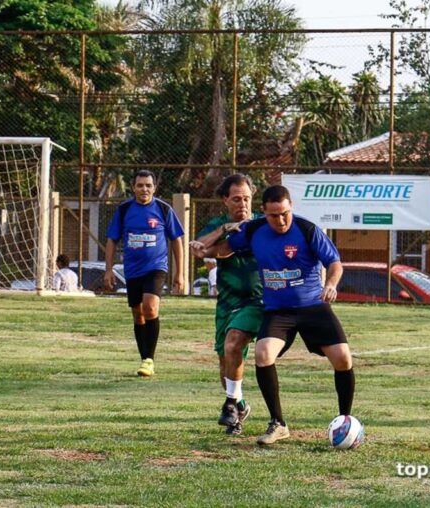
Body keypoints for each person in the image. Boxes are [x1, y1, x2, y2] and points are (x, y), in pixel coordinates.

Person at [195, 184, 354, 445]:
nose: (281, 220)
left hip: (313, 307)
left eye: (285, 213)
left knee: (343, 359)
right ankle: (278, 423)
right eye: (274, 215)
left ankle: (345, 421)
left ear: (291, 207)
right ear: (263, 213)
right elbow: (226, 248)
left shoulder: (306, 229)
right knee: (263, 353)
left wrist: (331, 285)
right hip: (278, 311)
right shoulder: (255, 230)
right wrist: (206, 249)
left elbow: (334, 262)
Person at [190, 173, 264, 436]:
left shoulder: (261, 224)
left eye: (246, 199)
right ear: (225, 200)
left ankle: (235, 407)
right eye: (236, 199)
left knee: (234, 343)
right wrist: (224, 231)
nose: (242, 204)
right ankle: (239, 406)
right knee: (225, 363)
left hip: (257, 300)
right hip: (227, 302)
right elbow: (199, 250)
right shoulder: (218, 224)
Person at [105, 170, 185, 377]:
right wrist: (108, 270)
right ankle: (144, 358)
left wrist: (180, 274)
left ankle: (149, 359)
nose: (144, 189)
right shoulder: (124, 210)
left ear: (154, 188)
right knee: (138, 314)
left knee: (150, 308)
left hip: (156, 268)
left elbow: (177, 240)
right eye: (140, 185)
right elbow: (112, 240)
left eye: (148, 185)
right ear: (133, 187)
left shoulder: (163, 209)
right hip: (132, 270)